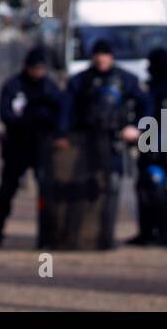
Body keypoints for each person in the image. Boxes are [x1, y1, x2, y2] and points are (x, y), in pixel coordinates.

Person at [56, 39, 144, 248]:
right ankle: (81, 235)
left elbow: (145, 104)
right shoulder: (81, 80)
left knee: (112, 187)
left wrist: (137, 127)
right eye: (98, 55)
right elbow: (66, 108)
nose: (101, 59)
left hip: (114, 143)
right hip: (85, 143)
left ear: (111, 57)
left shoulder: (125, 79)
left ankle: (106, 235)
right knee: (84, 187)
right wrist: (63, 134)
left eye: (105, 55)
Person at [0, 45, 63, 246]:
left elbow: (61, 113)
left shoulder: (50, 87)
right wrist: (26, 120)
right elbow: (5, 114)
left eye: (41, 68)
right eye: (35, 68)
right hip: (17, 145)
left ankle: (46, 237)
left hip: (42, 146)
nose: (38, 72)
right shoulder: (13, 86)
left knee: (46, 192)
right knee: (7, 190)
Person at [128, 47, 167, 246]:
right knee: (143, 187)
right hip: (147, 144)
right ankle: (146, 232)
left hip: (159, 146)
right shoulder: (151, 86)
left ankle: (164, 232)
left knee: (157, 187)